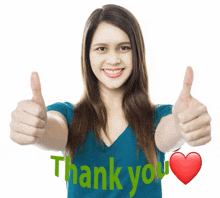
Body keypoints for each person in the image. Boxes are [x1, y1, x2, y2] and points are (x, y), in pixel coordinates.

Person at [10, 4, 211, 198]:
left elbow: (168, 134)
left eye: (124, 48)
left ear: (137, 53)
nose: (113, 59)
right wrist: (37, 129)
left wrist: (182, 125)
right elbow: (52, 129)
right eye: (101, 49)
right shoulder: (69, 116)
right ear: (87, 55)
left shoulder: (158, 117)